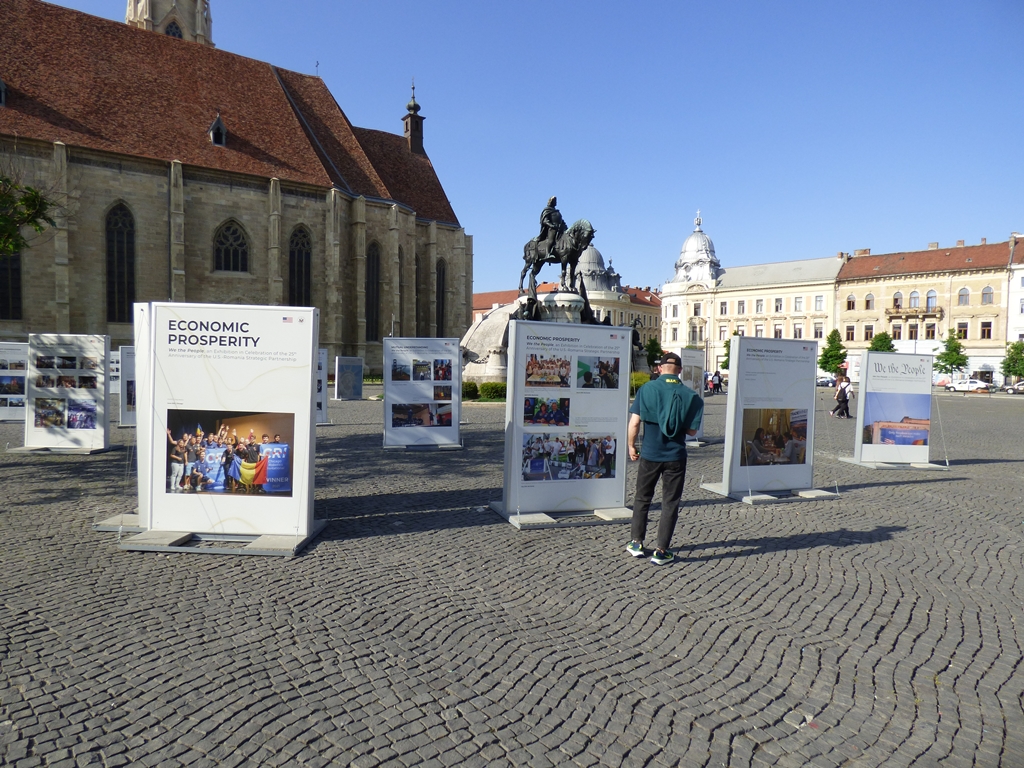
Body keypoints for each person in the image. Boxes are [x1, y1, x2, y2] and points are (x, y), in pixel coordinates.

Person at [627, 352, 704, 565]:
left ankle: (637, 543)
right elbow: (691, 432)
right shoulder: (692, 396)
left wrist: (631, 446)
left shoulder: (646, 389)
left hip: (650, 454)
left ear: (659, 368)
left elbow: (634, 423)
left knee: (642, 498)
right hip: (676, 456)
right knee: (670, 502)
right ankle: (661, 551)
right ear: (680, 370)